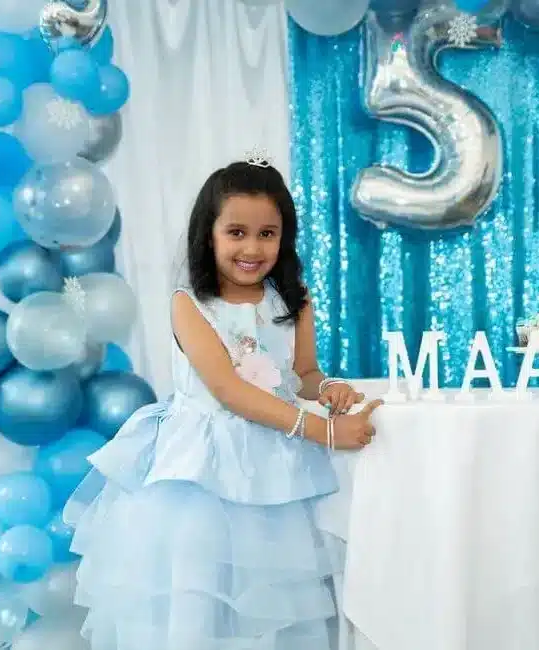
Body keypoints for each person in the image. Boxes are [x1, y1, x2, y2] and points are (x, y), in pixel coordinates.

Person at [65, 155, 383, 650]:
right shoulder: (189, 303)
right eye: (236, 232)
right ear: (207, 234)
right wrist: (327, 431)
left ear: (284, 237)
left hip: (276, 464)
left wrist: (326, 390)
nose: (252, 248)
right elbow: (229, 391)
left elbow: (300, 374)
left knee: (271, 599)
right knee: (202, 596)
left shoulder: (293, 301)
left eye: (267, 233)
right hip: (203, 471)